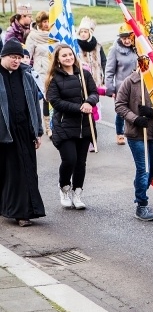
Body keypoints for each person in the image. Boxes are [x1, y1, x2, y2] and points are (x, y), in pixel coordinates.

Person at [45, 43, 99, 210]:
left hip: (84, 126)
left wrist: (90, 102)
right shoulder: (54, 79)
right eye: (64, 56)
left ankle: (77, 193)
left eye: (70, 54)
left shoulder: (84, 74)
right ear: (58, 60)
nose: (68, 57)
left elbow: (94, 92)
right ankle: (64, 187)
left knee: (81, 162)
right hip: (64, 126)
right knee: (70, 159)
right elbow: (55, 101)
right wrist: (79, 107)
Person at [0, 39, 45, 227]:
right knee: (10, 173)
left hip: (25, 132)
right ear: (3, 56)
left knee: (28, 172)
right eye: (12, 57)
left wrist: (38, 131)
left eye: (19, 57)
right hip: (5, 134)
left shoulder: (26, 76)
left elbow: (35, 104)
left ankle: (25, 212)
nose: (16, 61)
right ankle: (13, 210)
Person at [114, 61, 153, 221]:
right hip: (136, 133)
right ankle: (141, 203)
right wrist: (135, 119)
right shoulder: (130, 82)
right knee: (143, 170)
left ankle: (140, 187)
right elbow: (119, 105)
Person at [105, 24, 138, 145]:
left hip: (136, 85)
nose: (127, 40)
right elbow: (109, 70)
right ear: (120, 38)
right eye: (124, 38)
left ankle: (133, 131)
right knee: (121, 111)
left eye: (129, 37)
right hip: (121, 86)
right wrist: (110, 88)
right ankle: (119, 133)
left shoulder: (137, 48)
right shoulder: (114, 50)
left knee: (135, 110)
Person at [24, 11, 52, 137]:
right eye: (44, 21)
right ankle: (48, 127)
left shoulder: (54, 35)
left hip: (53, 69)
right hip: (40, 71)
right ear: (40, 23)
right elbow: (27, 55)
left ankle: (55, 124)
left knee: (54, 97)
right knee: (45, 98)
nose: (47, 24)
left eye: (48, 21)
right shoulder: (33, 36)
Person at [76, 17, 106, 90]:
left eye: (85, 32)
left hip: (96, 79)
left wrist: (105, 76)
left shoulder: (97, 46)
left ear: (89, 33)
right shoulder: (76, 46)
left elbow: (104, 61)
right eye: (81, 32)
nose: (83, 34)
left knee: (95, 99)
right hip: (82, 80)